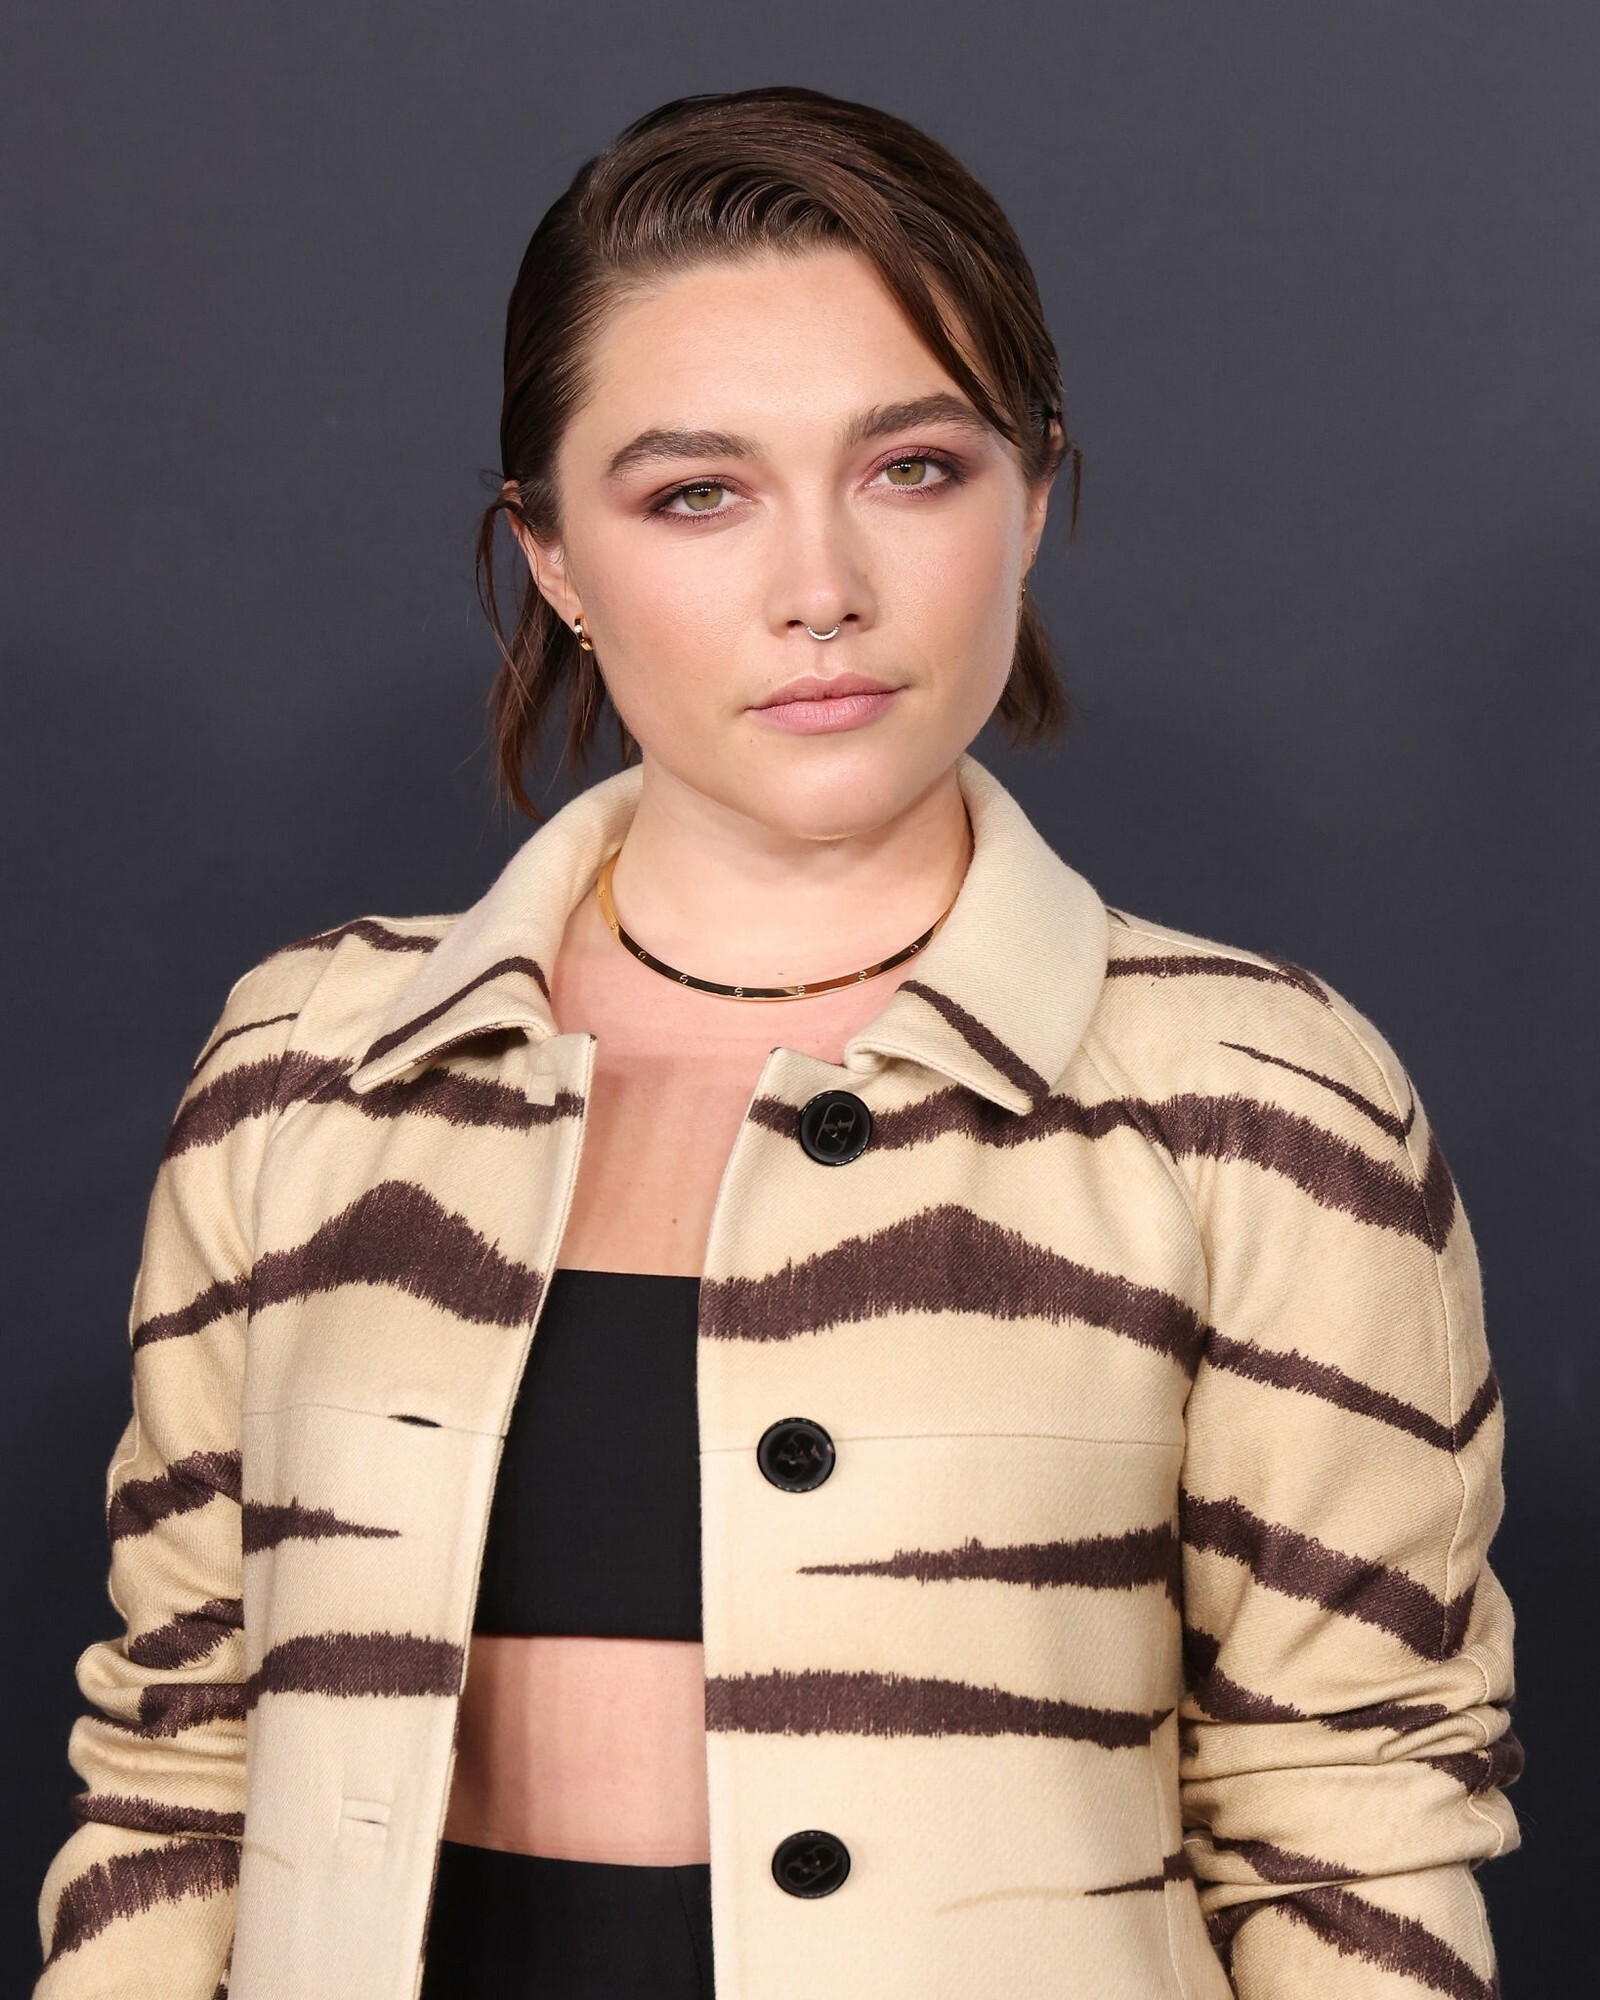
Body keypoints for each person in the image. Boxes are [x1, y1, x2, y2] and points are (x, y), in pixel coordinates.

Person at [34, 86, 1519, 2000]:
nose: (821, 589)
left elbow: (1355, 1824)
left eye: (913, 468)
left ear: (1031, 498)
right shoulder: (309, 1071)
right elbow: (177, 1770)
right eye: (696, 494)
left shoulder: (1258, 1105)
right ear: (553, 554)